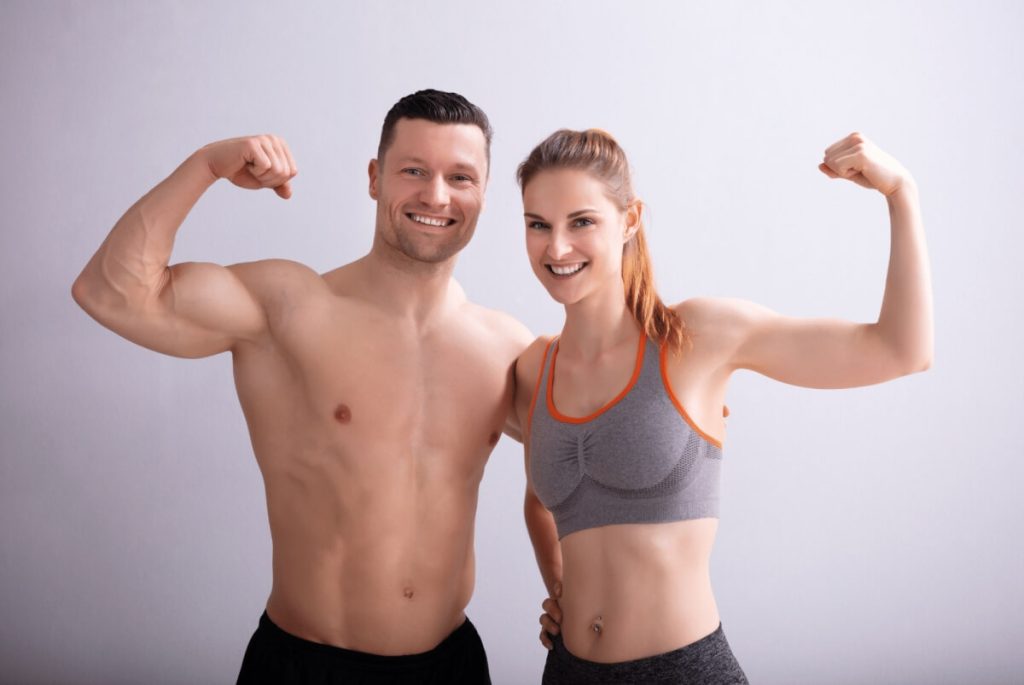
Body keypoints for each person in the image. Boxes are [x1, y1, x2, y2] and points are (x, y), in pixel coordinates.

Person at [71, 89, 531, 684]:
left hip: (451, 665)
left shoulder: (506, 347)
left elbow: (592, 458)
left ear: (484, 196)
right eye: (413, 170)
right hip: (306, 664)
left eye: (460, 177)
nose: (436, 196)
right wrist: (207, 165)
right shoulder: (290, 309)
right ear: (375, 178)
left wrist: (572, 590)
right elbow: (109, 293)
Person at [513, 129, 933, 684]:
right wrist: (561, 589)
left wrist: (901, 193)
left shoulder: (696, 337)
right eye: (538, 224)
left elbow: (901, 350)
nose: (556, 247)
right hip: (566, 672)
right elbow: (541, 503)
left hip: (683, 670)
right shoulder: (533, 368)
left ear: (630, 221)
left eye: (582, 221)